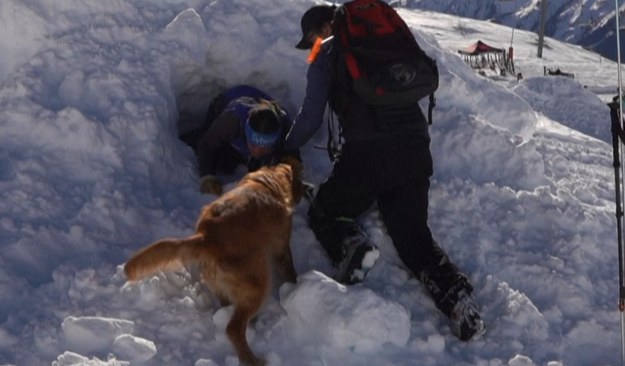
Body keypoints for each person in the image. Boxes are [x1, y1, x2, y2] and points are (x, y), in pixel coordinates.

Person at [285, 5, 485, 341]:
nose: (314, 47)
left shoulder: (327, 55)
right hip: (414, 147)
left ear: (321, 28)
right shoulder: (381, 43)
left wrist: (286, 146)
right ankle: (458, 300)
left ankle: (351, 247)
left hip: (368, 153)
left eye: (312, 40)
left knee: (325, 212)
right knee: (412, 236)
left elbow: (310, 119)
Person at [180, 84, 292, 195]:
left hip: (258, 105)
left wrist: (291, 162)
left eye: (264, 148)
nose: (257, 151)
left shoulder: (284, 129)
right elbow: (206, 145)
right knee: (210, 146)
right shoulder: (231, 122)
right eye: (253, 145)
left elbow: (291, 152)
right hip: (229, 100)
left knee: (261, 164)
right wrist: (207, 177)